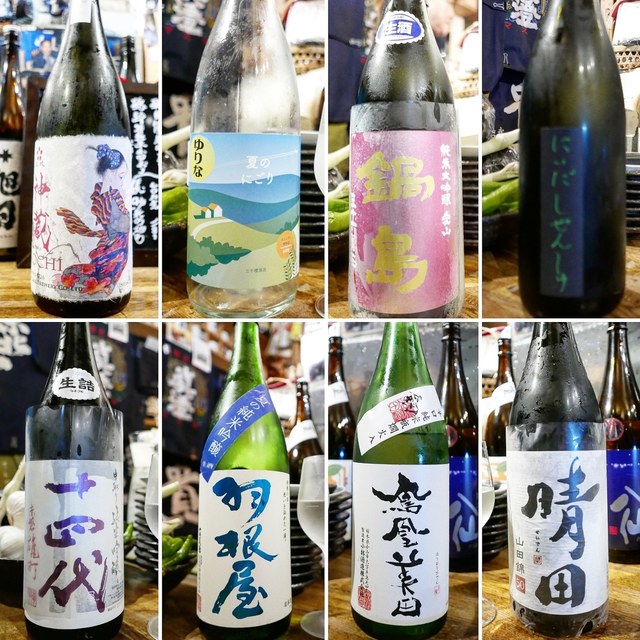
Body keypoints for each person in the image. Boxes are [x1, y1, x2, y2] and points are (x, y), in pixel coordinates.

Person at [56, 144, 131, 297]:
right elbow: (118, 225)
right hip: (115, 250)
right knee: (96, 273)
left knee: (89, 273)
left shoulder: (102, 197)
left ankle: (96, 286)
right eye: (121, 176)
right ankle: (97, 286)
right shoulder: (111, 198)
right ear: (110, 172)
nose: (122, 182)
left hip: (114, 249)